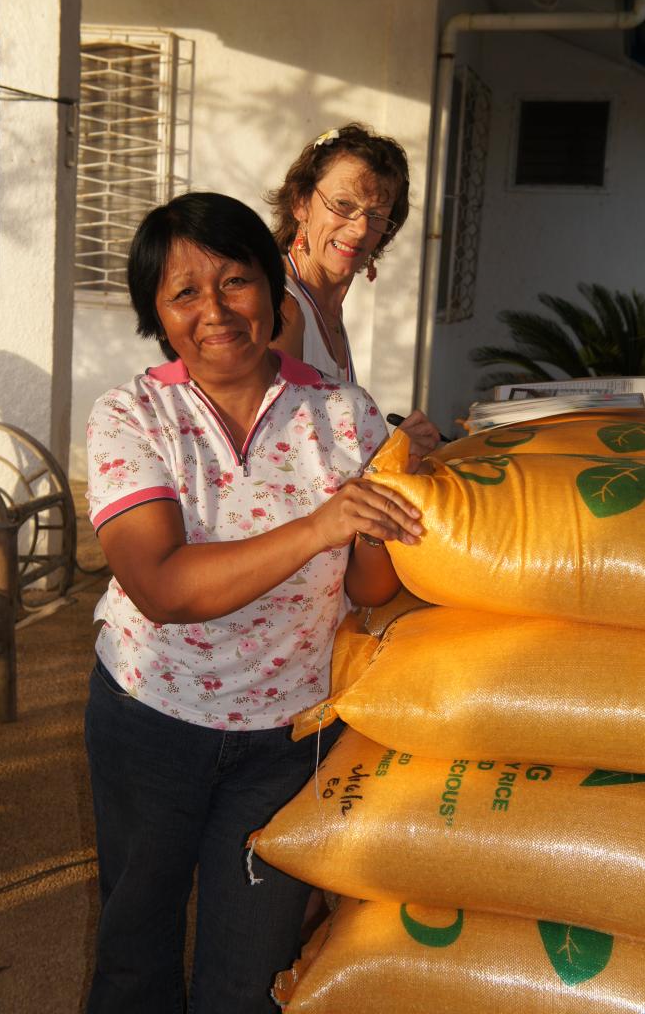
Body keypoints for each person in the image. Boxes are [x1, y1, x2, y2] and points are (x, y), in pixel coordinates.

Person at [84, 191, 424, 1014]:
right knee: (135, 956)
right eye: (184, 293)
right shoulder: (133, 415)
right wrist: (318, 526)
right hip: (150, 720)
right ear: (157, 315)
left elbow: (368, 588)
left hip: (284, 740)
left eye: (235, 281)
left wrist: (382, 506)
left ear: (273, 289)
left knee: (250, 976)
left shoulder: (344, 415)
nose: (215, 311)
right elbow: (161, 588)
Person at [267, 122, 441, 467]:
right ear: (301, 203)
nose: (360, 228)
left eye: (377, 215)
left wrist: (394, 450)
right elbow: (277, 457)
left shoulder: (326, 310)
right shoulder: (284, 308)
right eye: (343, 204)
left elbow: (324, 450)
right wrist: (388, 456)